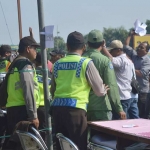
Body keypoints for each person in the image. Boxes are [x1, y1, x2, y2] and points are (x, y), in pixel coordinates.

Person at [50, 31, 109, 150]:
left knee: (61, 145)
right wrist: (104, 89)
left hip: (57, 110)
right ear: (84, 47)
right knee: (78, 145)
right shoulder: (85, 62)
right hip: (76, 110)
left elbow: (53, 89)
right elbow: (99, 91)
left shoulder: (56, 64)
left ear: (67, 46)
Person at [83, 30, 126, 122]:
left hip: (83, 107)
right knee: (102, 136)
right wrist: (119, 108)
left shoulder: (81, 59)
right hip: (101, 107)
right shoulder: (105, 61)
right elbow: (111, 85)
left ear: (87, 43)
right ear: (103, 43)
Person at [5, 36, 40, 140]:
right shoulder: (25, 65)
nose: (36, 52)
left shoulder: (14, 64)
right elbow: (28, 90)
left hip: (12, 109)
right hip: (23, 111)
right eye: (35, 48)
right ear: (28, 49)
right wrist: (33, 116)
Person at [102, 40, 139, 119]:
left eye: (111, 51)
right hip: (129, 96)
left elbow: (111, 59)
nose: (111, 53)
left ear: (118, 50)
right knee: (131, 121)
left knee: (120, 124)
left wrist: (103, 48)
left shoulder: (121, 60)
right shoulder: (128, 60)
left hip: (122, 97)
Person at [124, 31, 150, 118]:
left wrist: (130, 68)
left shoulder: (147, 60)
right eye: (138, 47)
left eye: (141, 48)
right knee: (132, 116)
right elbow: (126, 46)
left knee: (142, 115)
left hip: (142, 92)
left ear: (146, 51)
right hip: (132, 91)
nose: (138, 48)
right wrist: (130, 35)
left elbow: (142, 74)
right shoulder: (134, 55)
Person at [34, 52, 51, 140]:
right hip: (46, 106)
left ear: (35, 62)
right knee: (45, 133)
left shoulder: (32, 72)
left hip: (34, 107)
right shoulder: (50, 74)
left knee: (35, 133)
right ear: (47, 61)